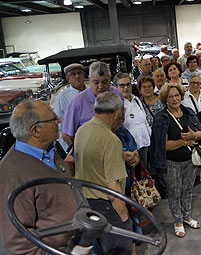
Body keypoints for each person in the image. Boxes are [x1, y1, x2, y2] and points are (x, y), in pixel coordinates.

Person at [0, 100, 88, 254]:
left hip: (74, 243)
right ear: (36, 131)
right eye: (53, 119)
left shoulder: (49, 152)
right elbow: (18, 242)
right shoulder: (13, 174)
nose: (59, 121)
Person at [75, 92, 132, 254]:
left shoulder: (82, 131)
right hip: (107, 206)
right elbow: (112, 187)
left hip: (85, 204)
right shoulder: (111, 140)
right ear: (116, 113)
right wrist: (123, 217)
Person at [150, 83, 201, 238]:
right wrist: (184, 142)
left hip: (190, 160)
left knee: (188, 190)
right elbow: (163, 145)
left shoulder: (188, 112)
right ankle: (178, 221)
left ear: (181, 96)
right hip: (171, 163)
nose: (174, 99)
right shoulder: (161, 118)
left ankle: (187, 216)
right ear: (164, 99)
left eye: (176, 95)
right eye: (170, 96)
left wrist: (193, 136)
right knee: (175, 192)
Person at [62, 61, 122, 146]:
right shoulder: (77, 103)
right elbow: (66, 135)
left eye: (104, 82)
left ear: (110, 79)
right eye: (96, 82)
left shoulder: (117, 94)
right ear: (89, 80)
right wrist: (79, 154)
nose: (100, 87)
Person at [114, 73, 152, 169]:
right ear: (115, 87)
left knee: (145, 174)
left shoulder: (136, 100)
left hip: (144, 143)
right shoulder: (116, 104)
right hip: (130, 148)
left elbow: (145, 121)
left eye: (128, 84)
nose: (125, 88)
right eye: (122, 85)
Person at [137, 75, 167, 197]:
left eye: (149, 86)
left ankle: (164, 188)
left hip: (161, 136)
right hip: (147, 138)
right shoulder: (138, 103)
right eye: (144, 87)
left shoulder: (160, 99)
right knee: (150, 165)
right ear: (140, 89)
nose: (147, 89)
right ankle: (154, 189)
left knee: (161, 163)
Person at [53, 63, 86, 152]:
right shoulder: (61, 98)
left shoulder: (92, 93)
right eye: (73, 74)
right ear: (68, 79)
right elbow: (60, 128)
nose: (77, 76)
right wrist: (70, 150)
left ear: (84, 75)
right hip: (74, 144)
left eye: (79, 73)